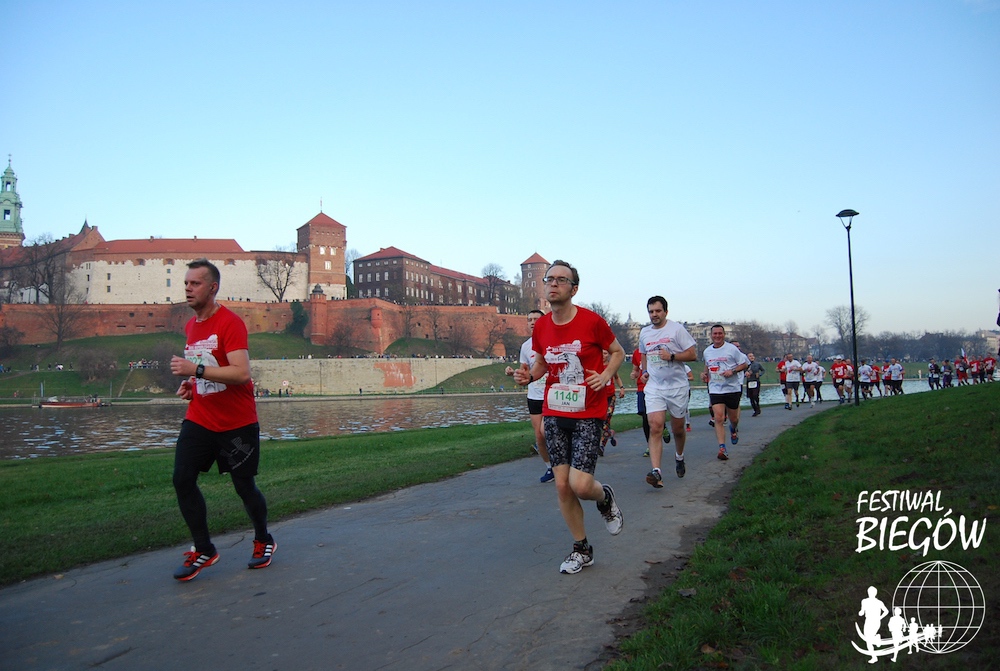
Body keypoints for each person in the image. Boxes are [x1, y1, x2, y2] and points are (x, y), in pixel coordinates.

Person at [512, 260, 624, 575]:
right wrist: (527, 376)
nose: (553, 283)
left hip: (588, 412)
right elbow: (541, 365)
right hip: (554, 411)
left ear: (574, 289)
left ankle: (604, 498)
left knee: (581, 485)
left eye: (562, 279)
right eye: (549, 278)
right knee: (562, 486)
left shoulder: (592, 321)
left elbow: (618, 353)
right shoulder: (542, 326)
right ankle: (582, 549)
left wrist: (605, 376)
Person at [168, 259, 275, 581]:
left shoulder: (230, 323)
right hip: (200, 417)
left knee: (244, 486)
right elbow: (207, 369)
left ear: (212, 287)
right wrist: (193, 384)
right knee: (182, 478)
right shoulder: (191, 326)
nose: (188, 288)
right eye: (186, 283)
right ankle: (204, 549)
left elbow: (241, 374)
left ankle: (263, 539)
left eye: (195, 283)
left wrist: (196, 370)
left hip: (236, 422)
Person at [634, 296, 698, 486]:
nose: (654, 315)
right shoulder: (645, 332)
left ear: (665, 312)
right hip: (654, 387)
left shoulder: (676, 329)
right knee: (655, 426)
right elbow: (644, 354)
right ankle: (656, 471)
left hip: (677, 387)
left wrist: (671, 356)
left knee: (678, 429)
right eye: (651, 311)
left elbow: (692, 354)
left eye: (657, 311)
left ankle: (679, 456)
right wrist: (644, 372)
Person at [505, 309, 554, 483]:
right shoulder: (526, 346)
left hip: (552, 394)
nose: (532, 322)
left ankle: (563, 462)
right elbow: (524, 372)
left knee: (547, 431)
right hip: (534, 395)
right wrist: (514, 373)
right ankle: (550, 467)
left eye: (536, 319)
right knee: (539, 435)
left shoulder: (553, 341)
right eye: (530, 320)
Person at [700, 325, 749, 460]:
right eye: (715, 333)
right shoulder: (707, 351)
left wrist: (732, 371)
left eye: (720, 333)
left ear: (724, 334)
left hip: (732, 388)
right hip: (715, 388)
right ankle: (722, 447)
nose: (717, 336)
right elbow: (707, 365)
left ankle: (733, 428)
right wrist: (704, 374)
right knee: (719, 418)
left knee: (734, 419)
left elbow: (744, 364)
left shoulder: (732, 349)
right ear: (711, 335)